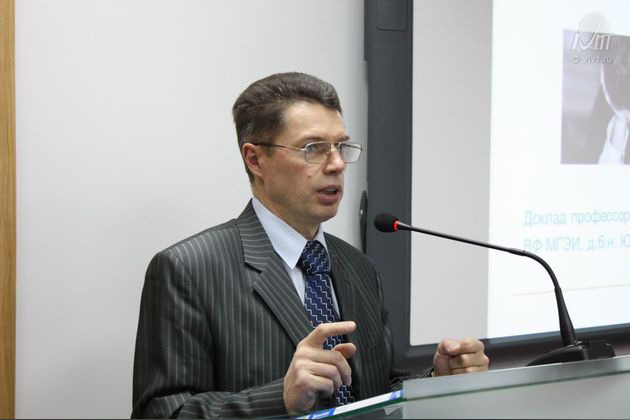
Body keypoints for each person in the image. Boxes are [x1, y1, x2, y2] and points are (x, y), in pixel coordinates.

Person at [131, 72, 489, 419]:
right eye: (313, 148)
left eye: (341, 146)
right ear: (255, 159)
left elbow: (375, 392)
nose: (337, 164)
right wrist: (280, 398)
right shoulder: (188, 269)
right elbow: (161, 413)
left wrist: (436, 381)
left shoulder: (359, 267)